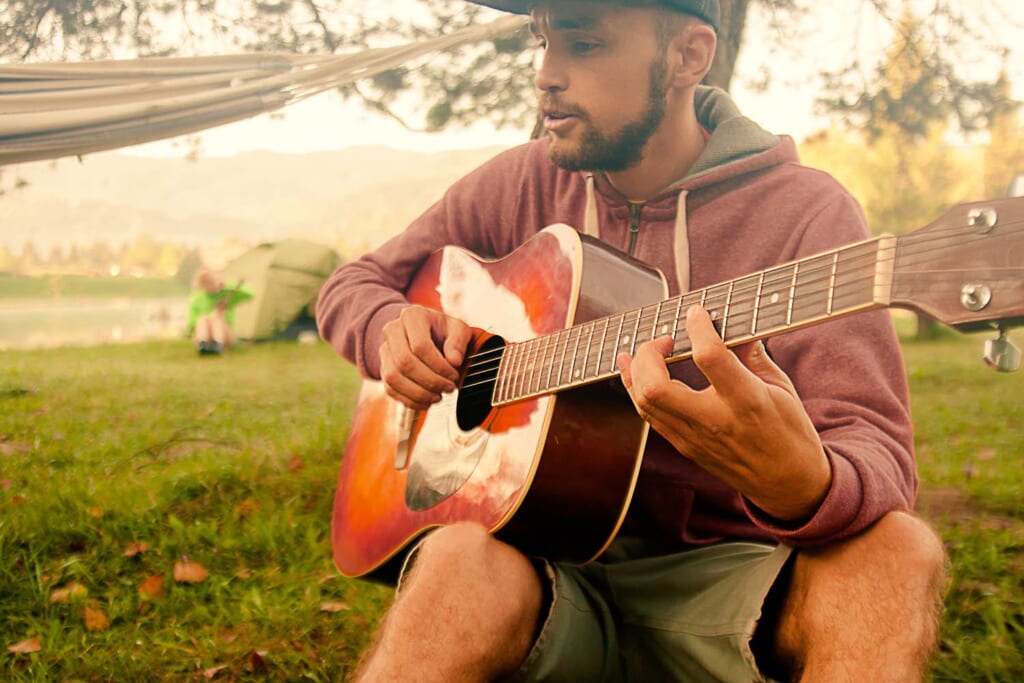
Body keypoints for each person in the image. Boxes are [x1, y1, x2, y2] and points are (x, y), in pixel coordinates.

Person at [315, 1, 948, 680]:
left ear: (687, 57)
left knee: (900, 551)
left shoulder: (807, 214)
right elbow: (354, 283)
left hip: (739, 587)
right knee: (454, 556)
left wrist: (801, 483)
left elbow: (877, 452)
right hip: (543, 572)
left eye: (584, 45)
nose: (546, 77)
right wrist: (391, 332)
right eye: (544, 43)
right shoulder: (519, 184)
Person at [187, 268, 251, 355]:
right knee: (203, 319)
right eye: (208, 283)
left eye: (213, 281)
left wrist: (228, 286)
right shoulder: (197, 299)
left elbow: (250, 294)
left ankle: (218, 345)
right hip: (204, 333)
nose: (212, 285)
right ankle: (204, 345)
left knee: (217, 319)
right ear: (202, 285)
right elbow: (191, 323)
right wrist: (209, 317)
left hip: (225, 334)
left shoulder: (227, 295)